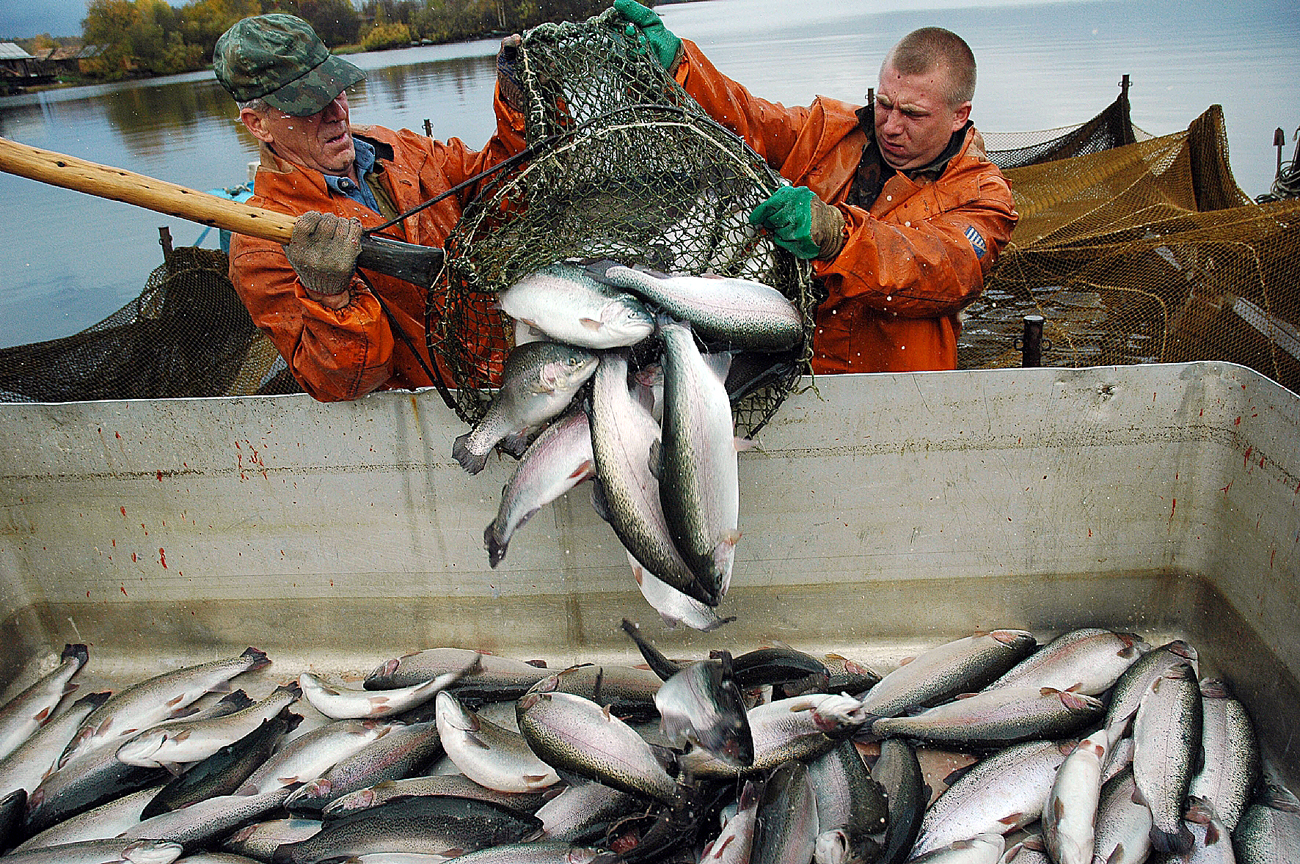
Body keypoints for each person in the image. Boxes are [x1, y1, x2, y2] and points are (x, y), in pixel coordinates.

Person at [615, 0, 1018, 374]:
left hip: (899, 399)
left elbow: (936, 268)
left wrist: (835, 236)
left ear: (958, 116)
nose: (891, 126)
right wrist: (681, 69)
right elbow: (751, 121)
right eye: (884, 103)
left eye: (913, 114)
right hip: (788, 375)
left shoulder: (983, 196)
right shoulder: (830, 131)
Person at [213, 14, 528, 401]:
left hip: (523, 374)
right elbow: (345, 383)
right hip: (436, 422)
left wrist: (520, 107)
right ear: (257, 124)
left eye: (336, 90)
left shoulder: (399, 150)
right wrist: (329, 297)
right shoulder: (260, 245)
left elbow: (509, 194)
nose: (335, 113)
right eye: (307, 104)